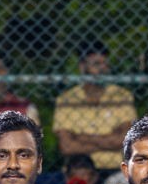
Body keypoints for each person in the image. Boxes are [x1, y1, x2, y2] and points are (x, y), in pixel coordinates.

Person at [54, 41, 137, 173]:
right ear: (82, 67)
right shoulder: (66, 100)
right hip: (79, 171)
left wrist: (83, 138)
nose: (103, 69)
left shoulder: (121, 96)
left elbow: (124, 140)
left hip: (115, 169)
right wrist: (109, 140)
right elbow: (67, 147)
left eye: (105, 64)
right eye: (96, 64)